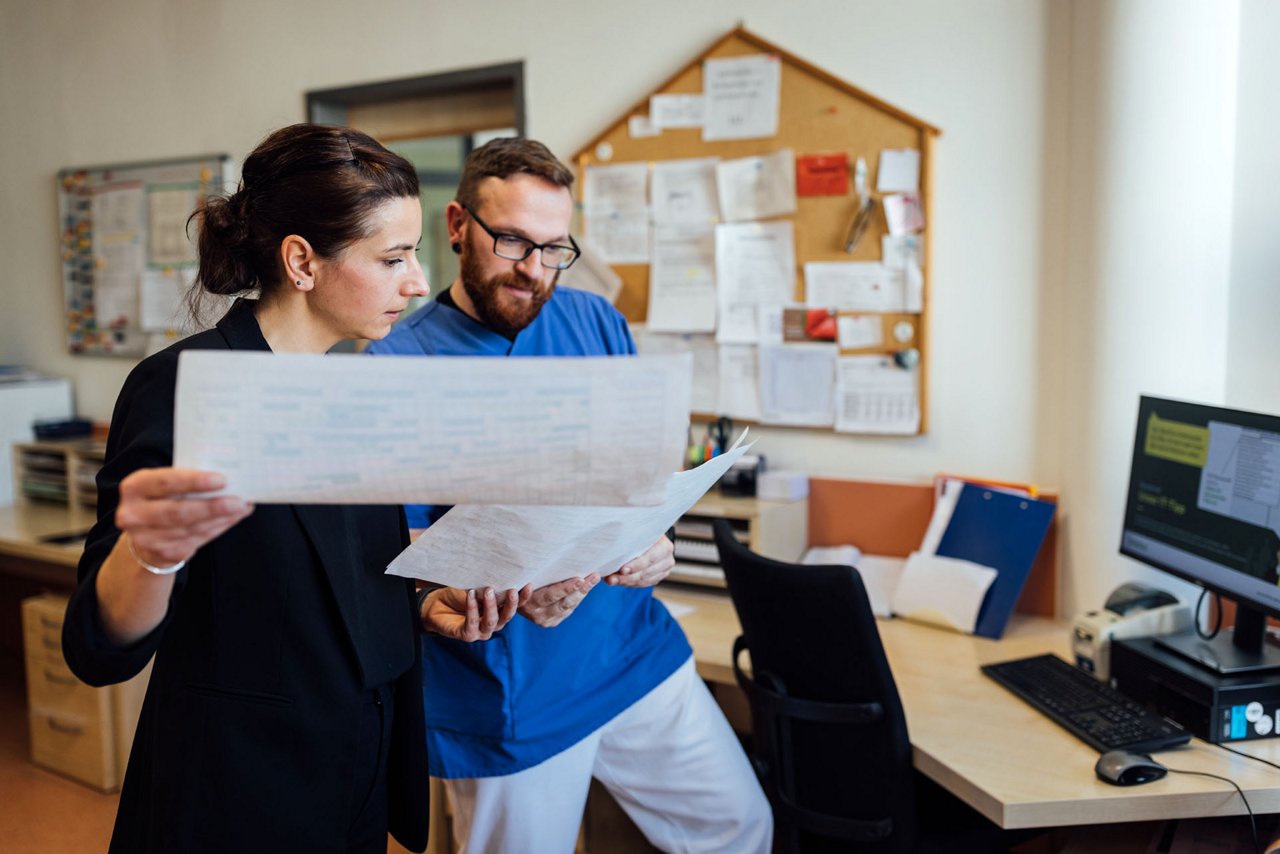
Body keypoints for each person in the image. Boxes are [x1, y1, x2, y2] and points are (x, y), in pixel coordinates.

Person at [61, 124, 521, 854]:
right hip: (240, 795)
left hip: (353, 777)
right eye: (393, 257)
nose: (414, 280)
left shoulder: (351, 389)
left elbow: (330, 576)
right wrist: (151, 554)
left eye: (415, 255)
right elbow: (97, 646)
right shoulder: (185, 386)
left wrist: (423, 603)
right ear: (303, 261)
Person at [367, 138, 772, 853]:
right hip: (508, 695)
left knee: (737, 827)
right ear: (458, 224)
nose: (534, 270)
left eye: (555, 248)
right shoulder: (395, 363)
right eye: (513, 240)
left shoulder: (595, 322)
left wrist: (655, 542)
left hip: (628, 650)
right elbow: (397, 558)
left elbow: (637, 483)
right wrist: (504, 591)